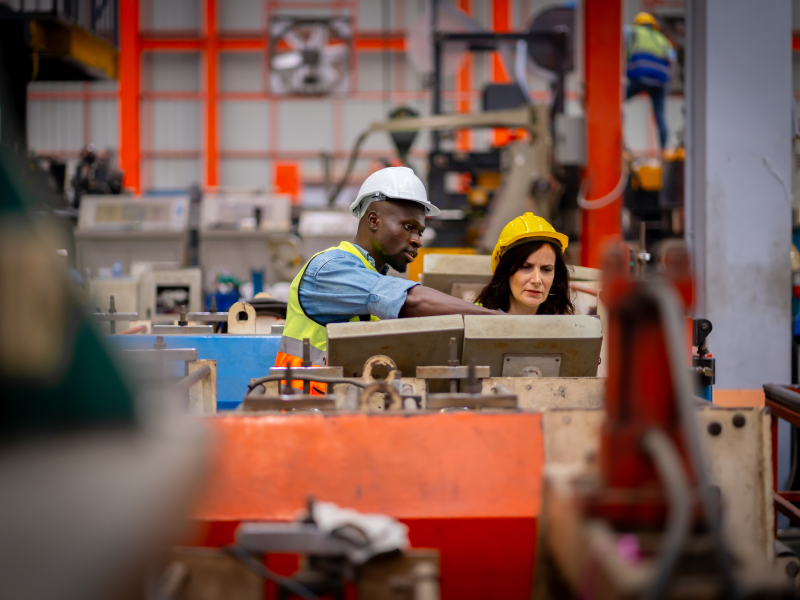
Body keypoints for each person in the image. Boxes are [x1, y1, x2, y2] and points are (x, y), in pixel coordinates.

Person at [276, 166, 495, 392]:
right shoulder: (328, 269)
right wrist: (496, 319)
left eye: (419, 232)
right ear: (373, 220)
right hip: (302, 413)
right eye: (408, 226)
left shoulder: (372, 278)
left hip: (340, 413)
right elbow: (410, 299)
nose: (417, 241)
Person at [476, 212, 574, 315]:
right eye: (525, 267)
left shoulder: (563, 325)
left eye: (546, 269)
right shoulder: (474, 322)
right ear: (505, 270)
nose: (537, 280)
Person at [624, 12, 676, 150]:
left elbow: (617, 37)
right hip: (660, 80)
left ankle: (621, 141)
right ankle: (663, 151)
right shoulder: (663, 39)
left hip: (640, 76)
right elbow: (672, 59)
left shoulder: (632, 31)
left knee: (616, 103)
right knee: (660, 116)